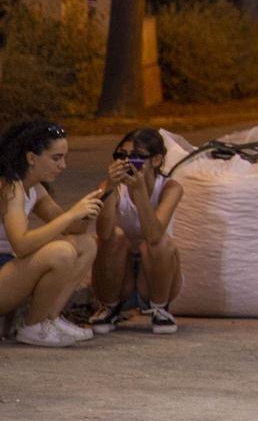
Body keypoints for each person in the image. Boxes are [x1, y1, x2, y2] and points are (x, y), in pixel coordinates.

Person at [0, 119, 102, 347]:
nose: (63, 165)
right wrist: (71, 214)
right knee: (61, 252)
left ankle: (49, 318)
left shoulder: (33, 188)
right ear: (31, 158)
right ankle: (32, 326)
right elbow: (21, 245)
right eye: (56, 158)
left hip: (8, 268)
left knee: (86, 244)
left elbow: (72, 228)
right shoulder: (11, 187)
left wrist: (93, 204)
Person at [87, 128, 183, 334]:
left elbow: (154, 235)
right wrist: (110, 187)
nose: (128, 163)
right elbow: (103, 234)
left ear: (156, 160)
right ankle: (110, 307)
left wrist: (139, 192)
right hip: (119, 274)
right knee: (115, 236)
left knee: (161, 243)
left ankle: (160, 308)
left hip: (156, 275)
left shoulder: (170, 188)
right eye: (122, 156)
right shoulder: (110, 187)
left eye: (137, 158)